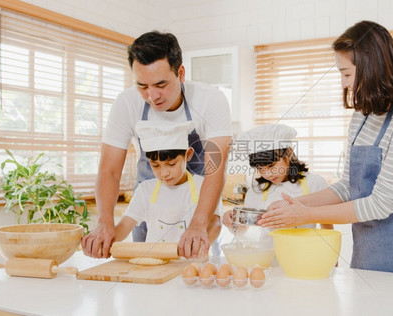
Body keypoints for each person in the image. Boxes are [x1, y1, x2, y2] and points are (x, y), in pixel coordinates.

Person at [259, 21, 393, 279]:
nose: (343, 83)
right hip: (370, 257)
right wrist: (291, 206)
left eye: (347, 74)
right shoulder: (365, 114)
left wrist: (304, 214)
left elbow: (380, 204)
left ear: (372, 66)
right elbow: (348, 186)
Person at [81, 31, 232, 259]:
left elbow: (215, 169)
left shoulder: (210, 100)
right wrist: (105, 222)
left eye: (161, 84)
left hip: (200, 207)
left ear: (180, 73)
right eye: (142, 86)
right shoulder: (127, 104)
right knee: (145, 268)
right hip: (151, 208)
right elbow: (109, 170)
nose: (152, 96)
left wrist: (199, 224)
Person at [82, 121, 221, 252]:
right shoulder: (145, 190)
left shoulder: (204, 186)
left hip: (192, 265)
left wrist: (200, 245)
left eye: (171, 164)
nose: (164, 173)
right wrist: (105, 240)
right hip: (155, 267)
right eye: (155, 166)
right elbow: (124, 226)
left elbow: (216, 223)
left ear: (188, 155)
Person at [222, 124, 331, 235]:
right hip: (266, 252)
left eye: (271, 166)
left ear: (288, 152)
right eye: (260, 168)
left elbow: (327, 228)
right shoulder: (257, 189)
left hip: (304, 251)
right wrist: (232, 222)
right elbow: (243, 231)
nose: (267, 174)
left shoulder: (315, 183)